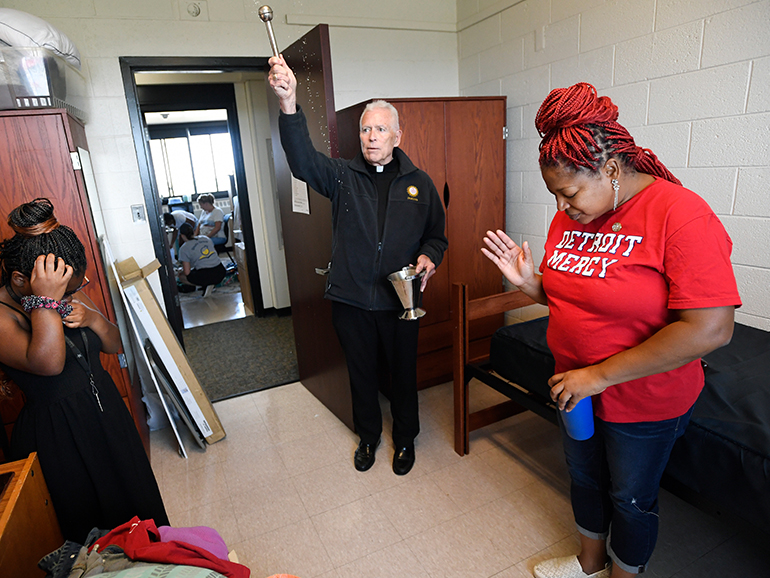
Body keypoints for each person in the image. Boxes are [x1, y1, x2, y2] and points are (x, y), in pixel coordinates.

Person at [481, 83, 741, 578]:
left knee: (630, 497)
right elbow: (578, 296)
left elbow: (710, 329)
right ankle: (589, 564)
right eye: (556, 195)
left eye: (569, 192)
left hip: (642, 398)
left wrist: (597, 376)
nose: (562, 207)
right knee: (583, 476)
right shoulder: (577, 216)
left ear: (612, 169)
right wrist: (529, 284)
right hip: (574, 387)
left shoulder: (679, 213)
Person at [268, 54, 448, 476]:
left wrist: (430, 257)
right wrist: (288, 104)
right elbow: (301, 160)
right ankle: (368, 436)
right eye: (365, 129)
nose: (371, 137)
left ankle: (405, 440)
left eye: (380, 129)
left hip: (401, 302)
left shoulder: (419, 183)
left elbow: (437, 236)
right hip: (351, 300)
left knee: (403, 375)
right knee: (362, 375)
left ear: (397, 135)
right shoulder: (341, 175)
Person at [0, 198, 169, 543]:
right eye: (64, 288)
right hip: (57, 433)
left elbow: (115, 344)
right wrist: (45, 301)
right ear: (20, 280)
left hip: (106, 412)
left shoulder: (71, 294)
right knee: (89, 529)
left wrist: (93, 318)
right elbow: (48, 363)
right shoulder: (3, 316)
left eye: (73, 287)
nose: (71, 294)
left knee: (136, 506)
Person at [177, 222, 226, 297]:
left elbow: (187, 272)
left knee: (182, 277)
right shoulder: (205, 238)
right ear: (194, 231)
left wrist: (181, 272)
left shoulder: (184, 248)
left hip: (204, 275)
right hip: (220, 271)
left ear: (182, 236)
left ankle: (203, 285)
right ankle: (209, 285)